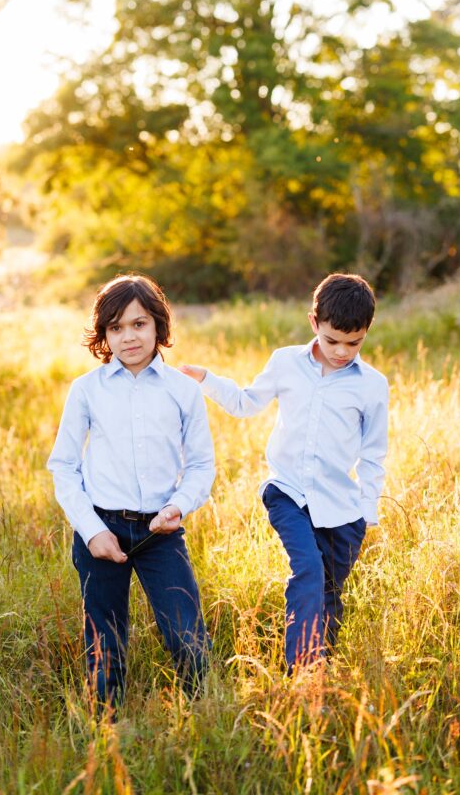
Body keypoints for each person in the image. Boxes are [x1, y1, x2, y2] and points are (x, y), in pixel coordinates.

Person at [182, 273, 388, 673]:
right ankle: (301, 671)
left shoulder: (372, 385)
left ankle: (322, 669)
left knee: (329, 590)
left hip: (342, 507)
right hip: (287, 492)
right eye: (332, 341)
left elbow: (374, 452)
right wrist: (206, 380)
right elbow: (245, 403)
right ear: (314, 323)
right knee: (308, 570)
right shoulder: (285, 363)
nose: (342, 351)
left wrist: (367, 511)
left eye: (354, 342)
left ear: (366, 332)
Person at [48, 274, 215, 708]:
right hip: (101, 528)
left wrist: (178, 506)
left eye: (139, 324)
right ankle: (108, 734)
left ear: (159, 324)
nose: (129, 337)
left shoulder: (182, 390)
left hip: (161, 531)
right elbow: (63, 466)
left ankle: (205, 718)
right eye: (116, 328)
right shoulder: (86, 390)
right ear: (104, 334)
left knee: (187, 638)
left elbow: (200, 464)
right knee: (105, 648)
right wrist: (90, 530)